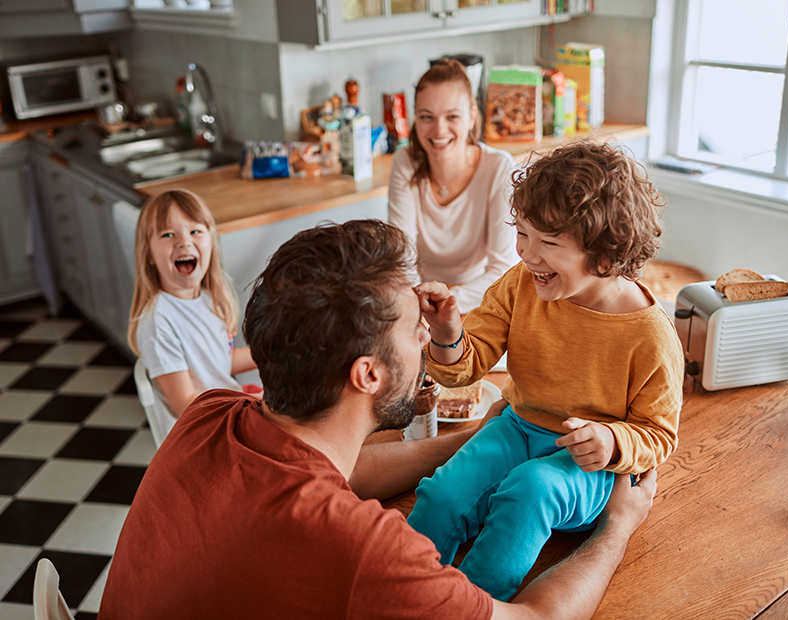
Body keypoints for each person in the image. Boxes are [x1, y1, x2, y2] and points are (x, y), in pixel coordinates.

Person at [99, 219, 658, 620]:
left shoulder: (210, 414)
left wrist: (469, 440)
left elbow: (342, 473)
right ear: (368, 374)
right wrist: (616, 529)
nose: (427, 336)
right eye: (415, 328)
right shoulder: (366, 551)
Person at [408, 142, 685, 601]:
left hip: (585, 465)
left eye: (549, 243)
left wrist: (612, 441)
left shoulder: (651, 336)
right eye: (523, 234)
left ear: (605, 256)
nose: (528, 255)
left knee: (529, 488)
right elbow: (466, 365)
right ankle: (403, 585)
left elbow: (659, 434)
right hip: (518, 427)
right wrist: (447, 334)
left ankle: (478, 605)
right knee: (443, 495)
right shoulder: (520, 284)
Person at [127, 189, 259, 442]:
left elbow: (218, 361)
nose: (184, 242)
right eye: (168, 234)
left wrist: (271, 355)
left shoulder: (208, 300)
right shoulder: (158, 322)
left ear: (210, 240)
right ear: (149, 255)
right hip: (203, 435)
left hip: (226, 412)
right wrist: (259, 402)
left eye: (195, 231)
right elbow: (188, 407)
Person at [388, 59, 518, 315]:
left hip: (481, 301)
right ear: (416, 117)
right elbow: (401, 258)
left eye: (452, 116)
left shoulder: (498, 166)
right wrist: (425, 302)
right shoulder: (405, 162)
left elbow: (503, 268)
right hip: (420, 303)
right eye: (427, 117)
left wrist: (445, 298)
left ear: (471, 116)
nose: (439, 130)